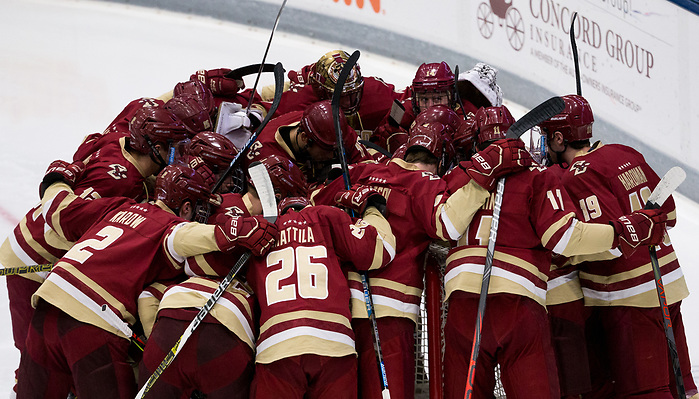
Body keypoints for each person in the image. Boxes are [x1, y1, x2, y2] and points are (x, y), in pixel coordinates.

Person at [441, 105, 669, 399]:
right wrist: (622, 231)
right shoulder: (538, 177)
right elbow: (564, 238)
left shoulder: (458, 176)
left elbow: (445, 226)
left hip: (462, 305)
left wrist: (480, 180)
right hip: (519, 306)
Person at [310, 119, 533, 399]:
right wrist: (483, 178)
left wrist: (348, 196)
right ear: (439, 161)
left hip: (335, 311)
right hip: (388, 316)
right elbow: (448, 225)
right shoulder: (425, 183)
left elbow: (313, 202)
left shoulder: (361, 172)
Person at [17, 163, 277, 399]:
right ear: (186, 207)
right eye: (200, 208)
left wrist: (55, 179)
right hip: (92, 323)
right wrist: (228, 233)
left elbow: (60, 211)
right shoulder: (169, 224)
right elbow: (184, 237)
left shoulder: (119, 205)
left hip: (45, 309)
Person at [0, 105, 189, 396]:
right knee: (33, 355)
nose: (176, 157)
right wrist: (55, 182)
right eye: (172, 149)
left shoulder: (118, 140)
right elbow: (65, 219)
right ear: (154, 148)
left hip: (47, 251)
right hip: (35, 258)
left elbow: (127, 116)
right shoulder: (120, 182)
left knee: (49, 352)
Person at [539, 94, 698, 399]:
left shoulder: (577, 176)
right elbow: (671, 213)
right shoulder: (625, 151)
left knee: (645, 390)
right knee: (683, 386)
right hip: (669, 283)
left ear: (559, 138)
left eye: (548, 137)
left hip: (630, 296)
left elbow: (614, 241)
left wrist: (566, 251)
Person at [137, 154, 303, 399]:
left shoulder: (212, 212)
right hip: (229, 328)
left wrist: (156, 342)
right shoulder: (218, 207)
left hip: (172, 316)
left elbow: (148, 294)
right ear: (278, 200)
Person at [246, 180, 397, 399]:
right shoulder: (327, 216)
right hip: (334, 345)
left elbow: (204, 263)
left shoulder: (260, 228)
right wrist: (372, 208)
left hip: (277, 348)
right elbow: (380, 250)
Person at [268, 49, 404, 139]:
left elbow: (411, 99)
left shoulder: (377, 93)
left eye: (353, 94)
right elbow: (263, 107)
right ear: (321, 91)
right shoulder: (300, 99)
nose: (348, 103)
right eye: (340, 96)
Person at [244, 99, 376, 185]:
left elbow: (369, 167)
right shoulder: (264, 158)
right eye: (326, 149)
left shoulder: (326, 125)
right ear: (305, 138)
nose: (331, 156)